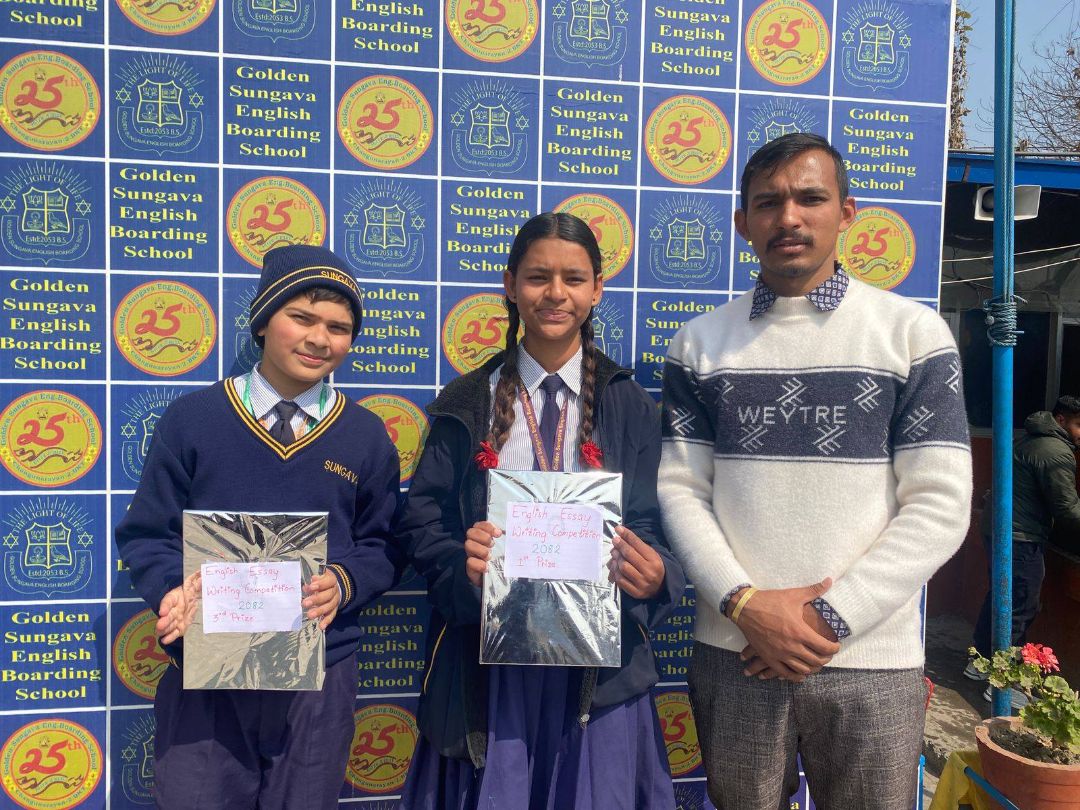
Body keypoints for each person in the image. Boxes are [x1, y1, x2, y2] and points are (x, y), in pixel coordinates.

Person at [658, 133, 972, 809]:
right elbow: (681, 491)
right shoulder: (698, 345)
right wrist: (745, 606)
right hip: (736, 652)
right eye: (767, 203)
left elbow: (940, 505)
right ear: (743, 223)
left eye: (810, 198)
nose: (789, 217)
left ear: (846, 212)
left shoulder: (912, 335)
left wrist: (828, 619)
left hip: (870, 660)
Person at [397, 212, 685, 809]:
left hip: (599, 669)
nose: (556, 293)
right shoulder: (466, 402)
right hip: (490, 666)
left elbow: (653, 518)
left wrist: (654, 572)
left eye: (574, 278)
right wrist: (462, 566)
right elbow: (422, 521)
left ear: (597, 289)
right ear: (510, 285)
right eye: (537, 277)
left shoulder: (628, 403)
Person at [114, 244, 401, 809]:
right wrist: (171, 587)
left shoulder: (365, 435)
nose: (319, 338)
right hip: (208, 669)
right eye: (302, 317)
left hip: (320, 671)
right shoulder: (194, 420)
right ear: (264, 321)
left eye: (339, 328)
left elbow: (385, 542)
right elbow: (148, 533)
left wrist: (345, 582)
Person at [969, 395, 1080, 695]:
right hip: (1020, 536)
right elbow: (1067, 509)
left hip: (1000, 528)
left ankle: (980, 662)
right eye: (1078, 424)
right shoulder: (1055, 451)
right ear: (1061, 420)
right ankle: (1002, 684)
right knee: (1020, 605)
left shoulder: (1030, 439)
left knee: (1001, 597)